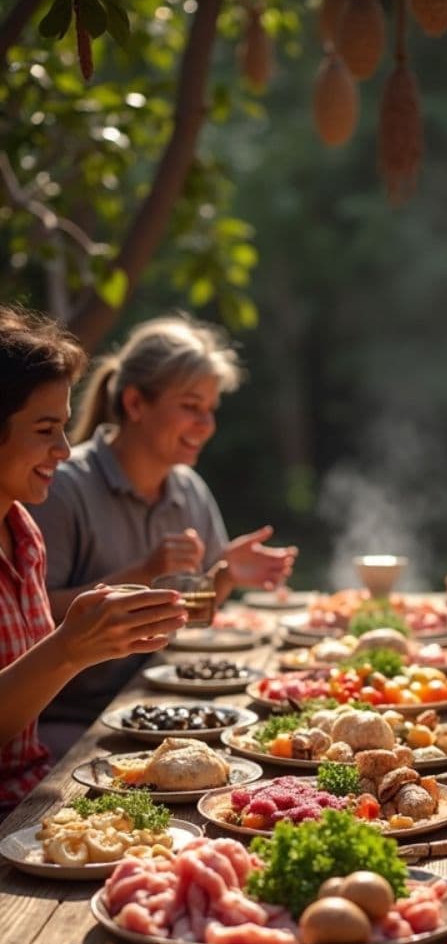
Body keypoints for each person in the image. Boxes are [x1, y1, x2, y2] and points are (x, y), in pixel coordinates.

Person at [31, 315, 298, 738]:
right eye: (191, 407)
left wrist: (224, 576)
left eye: (210, 409)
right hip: (73, 721)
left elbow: (194, 615)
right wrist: (143, 573)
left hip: (163, 700)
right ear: (135, 403)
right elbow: (32, 617)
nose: (206, 425)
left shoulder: (188, 488)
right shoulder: (61, 485)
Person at [0, 306, 187, 812]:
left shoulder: (23, 532)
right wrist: (69, 650)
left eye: (63, 428)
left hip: (34, 790)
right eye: (44, 430)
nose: (63, 449)